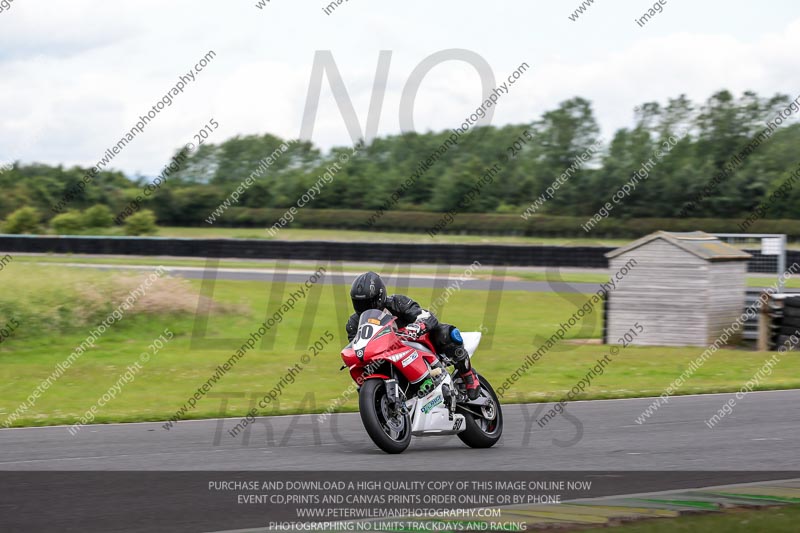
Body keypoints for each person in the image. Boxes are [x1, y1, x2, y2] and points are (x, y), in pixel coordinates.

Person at [345, 271, 481, 400]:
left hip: (415, 343)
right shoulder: (353, 323)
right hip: (383, 355)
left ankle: (468, 375)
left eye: (368, 302)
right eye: (359, 303)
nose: (364, 307)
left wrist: (419, 325)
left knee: (447, 333)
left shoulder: (397, 302)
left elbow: (426, 315)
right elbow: (357, 344)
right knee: (363, 382)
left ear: (380, 297)